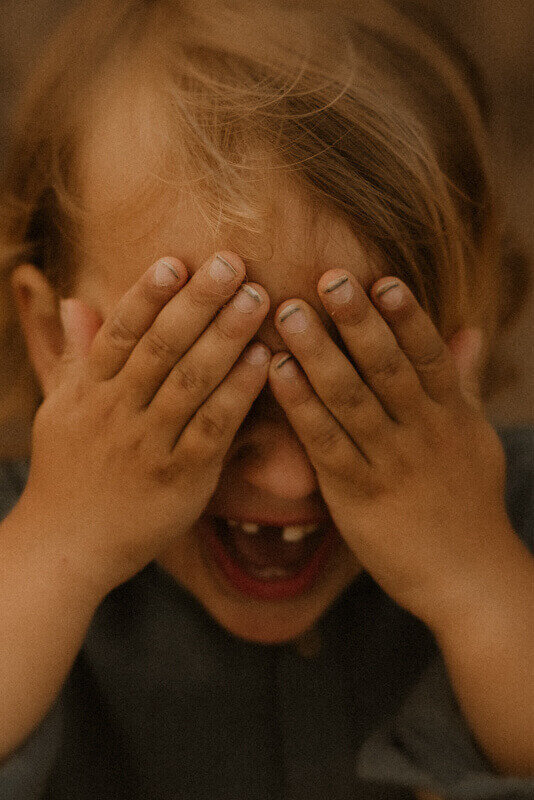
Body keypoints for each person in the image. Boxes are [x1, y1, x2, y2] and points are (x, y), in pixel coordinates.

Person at [0, 1, 532, 798]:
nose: (288, 478)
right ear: (53, 341)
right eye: (202, 381)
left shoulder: (511, 520)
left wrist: (479, 587)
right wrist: (59, 554)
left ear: (469, 333)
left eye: (355, 383)